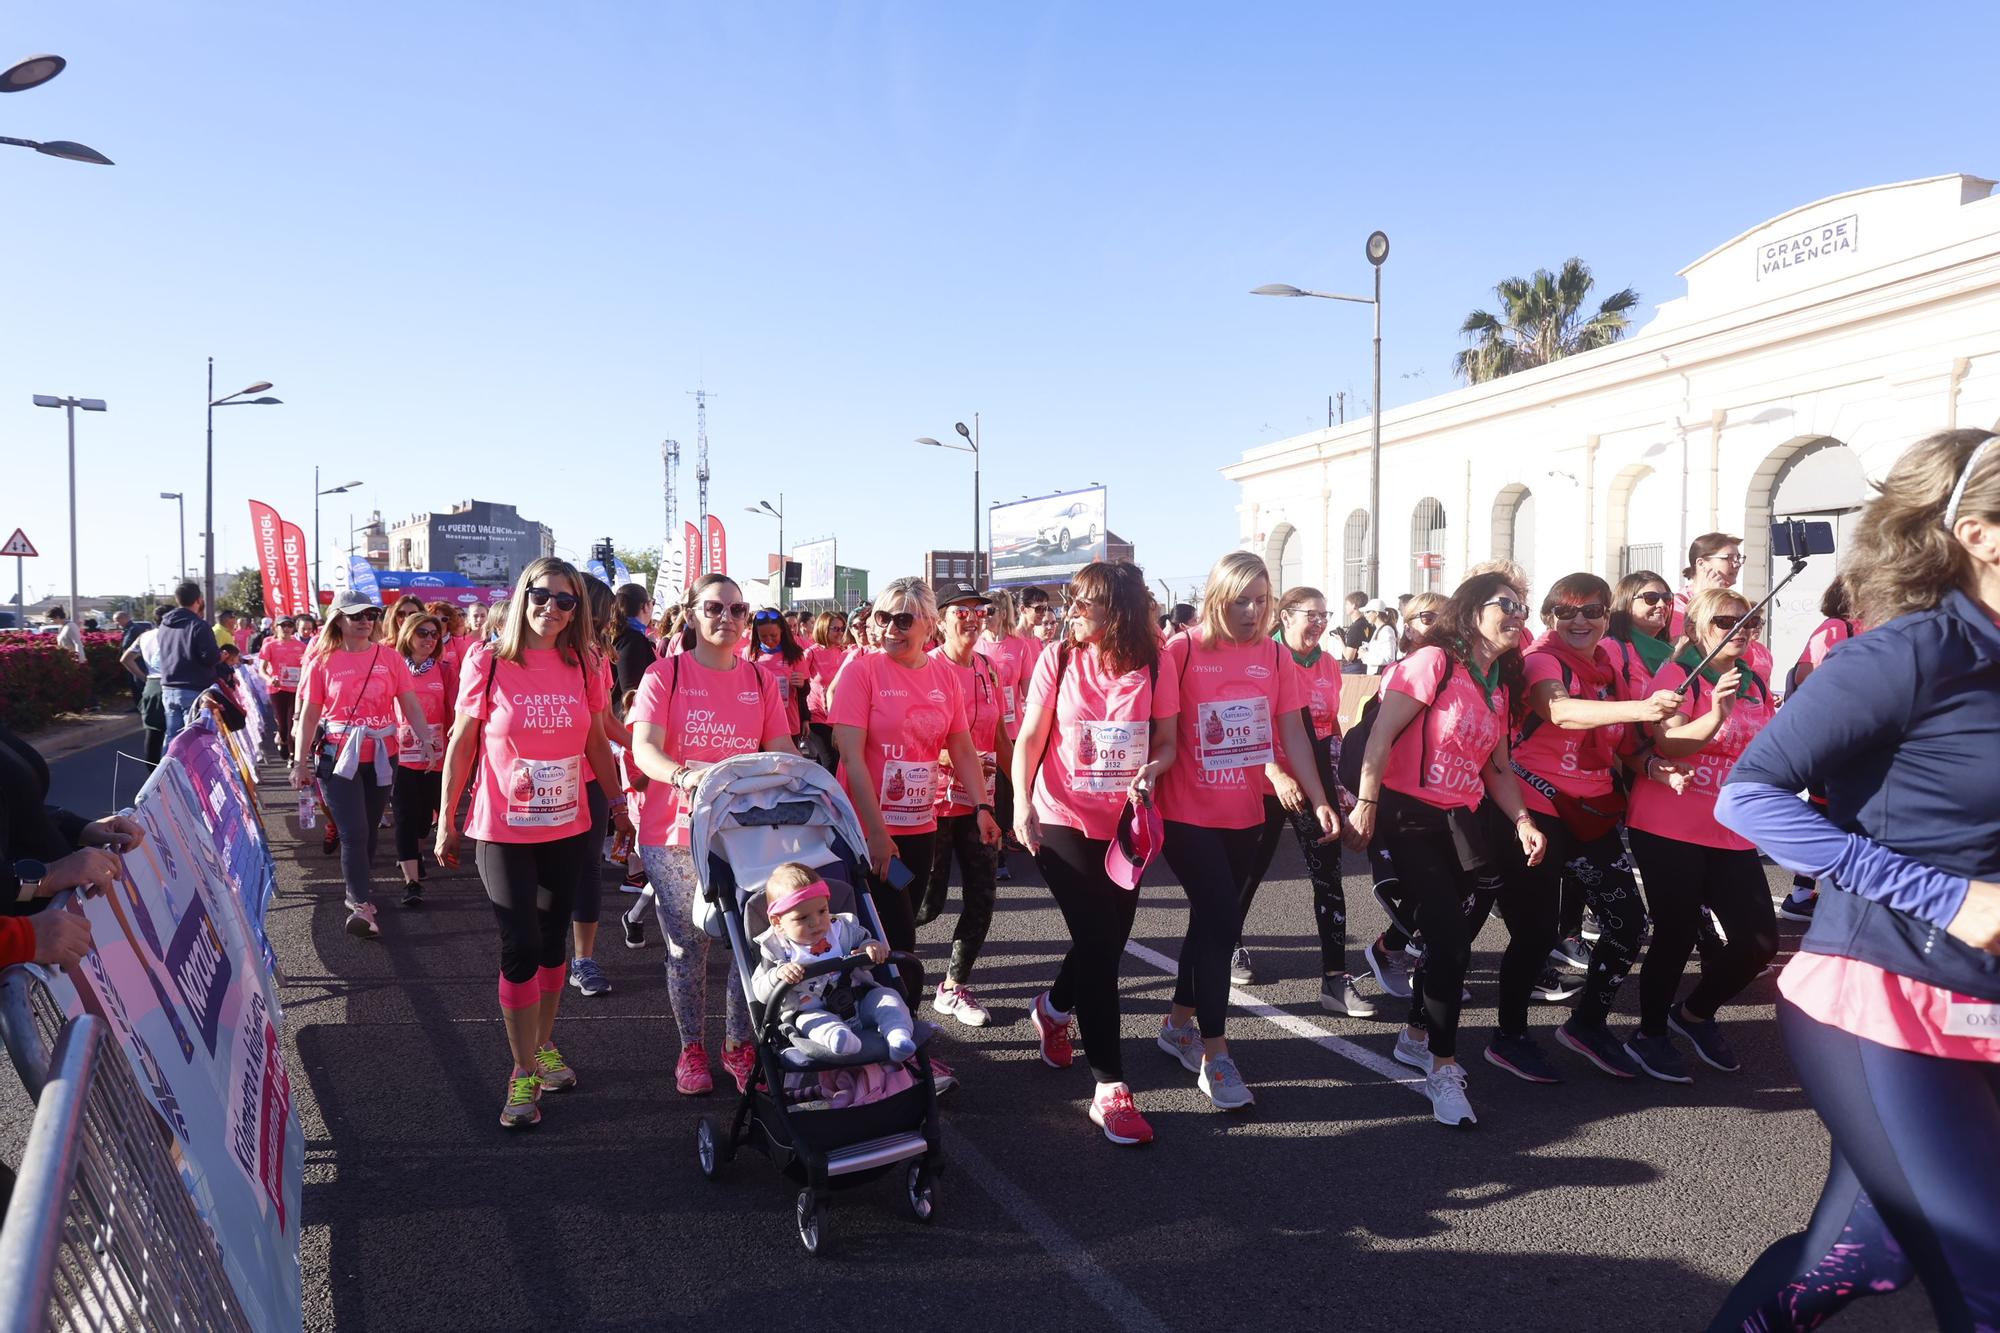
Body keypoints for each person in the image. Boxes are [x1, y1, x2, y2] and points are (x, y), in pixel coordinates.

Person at [1705, 428, 2000, 1333]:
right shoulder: (1913, 651)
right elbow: (1747, 797)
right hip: (1884, 1000)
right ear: (1983, 533)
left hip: (1980, 1006)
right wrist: (1947, 896)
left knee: (1864, 1259)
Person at [1350, 571, 1549, 1127]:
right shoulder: (1432, 662)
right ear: (1472, 609)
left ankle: (1416, 1033)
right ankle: (1442, 1068)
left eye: (1522, 607)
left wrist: (1524, 820)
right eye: (1505, 604)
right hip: (1407, 814)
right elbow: (1381, 736)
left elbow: (1498, 765)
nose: (1517, 614)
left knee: (1450, 937)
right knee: (1449, 942)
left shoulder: (1499, 682)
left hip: (1461, 818)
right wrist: (1365, 803)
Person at [1155, 552, 1338, 1110]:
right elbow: (1160, 732)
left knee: (1210, 922)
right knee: (1220, 917)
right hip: (1186, 810)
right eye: (1241, 600)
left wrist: (1319, 798)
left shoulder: (1276, 655)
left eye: (1262, 600)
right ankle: (1216, 1053)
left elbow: (1294, 734)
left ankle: (1176, 1025)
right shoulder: (1180, 651)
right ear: (1216, 596)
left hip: (1245, 814)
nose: (1252, 611)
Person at [437, 558, 615, 1130]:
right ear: (522, 596)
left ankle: (542, 1045)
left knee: (553, 944)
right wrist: (446, 818)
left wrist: (620, 805)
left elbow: (594, 740)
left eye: (567, 601)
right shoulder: (487, 659)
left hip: (567, 824)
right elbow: (463, 743)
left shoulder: (585, 663)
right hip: (502, 830)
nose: (553, 609)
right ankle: (521, 1071)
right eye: (542, 595)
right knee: (520, 945)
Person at [1013, 559, 1177, 1145]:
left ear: (1120, 612)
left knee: (1103, 937)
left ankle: (1054, 1008)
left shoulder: (1157, 662)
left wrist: (1150, 773)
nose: (1071, 612)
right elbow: (1030, 738)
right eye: (1071, 601)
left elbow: (1166, 742)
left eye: (1085, 603)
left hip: (1125, 823)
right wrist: (1019, 805)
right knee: (1101, 948)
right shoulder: (1055, 659)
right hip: (1061, 815)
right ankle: (1110, 1088)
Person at [1499, 573, 1683, 1081]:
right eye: (1566, 611)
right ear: (1550, 617)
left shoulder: (1607, 669)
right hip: (1538, 810)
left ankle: (1586, 1024)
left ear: (1608, 615)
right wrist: (1641, 707)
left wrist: (1654, 767)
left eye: (1593, 610)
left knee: (1627, 923)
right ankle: (1508, 1035)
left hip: (1593, 811)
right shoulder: (1543, 659)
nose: (1580, 620)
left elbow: (1623, 741)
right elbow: (1559, 711)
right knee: (1535, 934)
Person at [628, 572, 797, 1096]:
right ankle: (691, 1048)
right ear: (692, 614)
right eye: (714, 608)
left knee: (751, 942)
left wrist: (812, 781)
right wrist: (683, 775)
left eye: (737, 610)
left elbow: (781, 747)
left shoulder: (760, 681)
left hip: (744, 832)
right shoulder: (665, 676)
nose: (727, 618)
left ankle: (737, 1045)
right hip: (673, 832)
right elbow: (644, 750)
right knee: (689, 945)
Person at [1622, 587, 1779, 1084]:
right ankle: (1648, 1034)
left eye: (1749, 622)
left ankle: (1692, 1014)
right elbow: (1667, 740)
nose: (1739, 630)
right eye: (1725, 621)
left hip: (1729, 828)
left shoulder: (1753, 682)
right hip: (1667, 822)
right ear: (1698, 627)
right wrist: (1716, 712)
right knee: (1675, 932)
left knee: (1759, 942)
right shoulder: (1678, 675)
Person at [830, 577, 998, 959]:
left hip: (921, 824)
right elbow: (852, 758)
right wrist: (874, 832)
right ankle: (899, 1014)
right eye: (883, 617)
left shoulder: (943, 677)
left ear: (928, 623)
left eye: (903, 620)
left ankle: (889, 1012)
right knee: (894, 936)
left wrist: (982, 807)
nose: (890, 629)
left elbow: (962, 748)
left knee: (900, 927)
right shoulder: (863, 672)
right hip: (866, 826)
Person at [1232, 586, 1373, 1014]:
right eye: (1310, 615)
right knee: (1247, 873)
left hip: (1310, 780)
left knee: (1328, 875)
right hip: (1262, 778)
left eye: (1324, 615)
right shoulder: (1261, 658)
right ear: (1285, 616)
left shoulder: (1329, 663)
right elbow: (1244, 724)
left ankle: (1334, 979)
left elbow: (1327, 732)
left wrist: (1340, 793)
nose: (1319, 623)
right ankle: (1229, 944)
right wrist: (1273, 773)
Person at [291, 592, 438, 939]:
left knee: (369, 831)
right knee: (354, 832)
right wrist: (299, 762)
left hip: (383, 756)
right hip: (337, 758)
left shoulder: (389, 658)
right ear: (338, 619)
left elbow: (410, 703)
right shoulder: (322, 661)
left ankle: (359, 884)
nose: (365, 620)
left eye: (370, 614)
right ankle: (359, 903)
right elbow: (310, 714)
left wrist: (426, 740)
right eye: (356, 615)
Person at [918, 585, 1014, 1027]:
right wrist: (956, 758)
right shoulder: (923, 669)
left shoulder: (989, 670)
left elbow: (999, 736)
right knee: (926, 905)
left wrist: (1024, 789)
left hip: (980, 804)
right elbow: (910, 739)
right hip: (932, 803)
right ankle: (871, 959)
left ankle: (953, 987)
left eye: (981, 611)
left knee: (982, 899)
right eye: (962, 611)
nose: (973, 618)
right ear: (940, 620)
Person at [749, 863, 915, 1060]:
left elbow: (866, 949)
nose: (816, 922)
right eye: (802, 918)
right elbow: (760, 991)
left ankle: (898, 1035)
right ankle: (840, 1039)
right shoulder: (776, 949)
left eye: (822, 911)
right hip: (812, 1010)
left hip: (859, 999)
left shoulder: (841, 928)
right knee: (811, 1023)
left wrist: (870, 949)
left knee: (887, 997)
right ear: (778, 922)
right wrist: (778, 976)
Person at [1775, 574, 1864, 925]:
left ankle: (1803, 893)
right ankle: (1805, 895)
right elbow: (1805, 676)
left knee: (1827, 813)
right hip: (1833, 740)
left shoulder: (1860, 626)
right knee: (1832, 813)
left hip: (1848, 741)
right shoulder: (1836, 626)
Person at [564, 576, 632, 999]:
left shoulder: (593, 658)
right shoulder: (509, 655)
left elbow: (603, 722)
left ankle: (583, 959)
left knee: (587, 869)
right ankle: (545, 959)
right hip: (530, 792)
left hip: (586, 779)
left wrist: (641, 747)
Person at [976, 589, 1043, 881]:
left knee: (1007, 793)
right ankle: (993, 854)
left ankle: (1004, 847)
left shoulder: (1020, 646)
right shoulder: (975, 645)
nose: (985, 617)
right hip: (980, 733)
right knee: (986, 795)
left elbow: (1029, 691)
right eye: (982, 612)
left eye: (991, 611)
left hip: (1011, 731)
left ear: (1003, 613)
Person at [391, 612, 452, 907]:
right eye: (422, 633)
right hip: (400, 756)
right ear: (408, 635)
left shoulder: (445, 670)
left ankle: (418, 851)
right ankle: (411, 882)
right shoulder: (392, 667)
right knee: (404, 818)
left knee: (423, 820)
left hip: (436, 758)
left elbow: (453, 712)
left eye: (434, 634)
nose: (429, 639)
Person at [155, 582, 220, 746]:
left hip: (168, 688)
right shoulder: (199, 625)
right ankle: (189, 773)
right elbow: (211, 658)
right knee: (194, 742)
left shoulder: (164, 624)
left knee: (172, 739)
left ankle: (168, 771)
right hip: (193, 689)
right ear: (199, 600)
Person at [744, 607, 810, 745]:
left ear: (782, 631)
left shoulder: (794, 654)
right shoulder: (750, 653)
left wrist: (802, 685)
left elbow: (805, 692)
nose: (769, 640)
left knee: (786, 766)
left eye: (773, 635)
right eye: (763, 636)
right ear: (756, 634)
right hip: (758, 722)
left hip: (787, 722)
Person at [802, 609, 851, 771]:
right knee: (830, 762)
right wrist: (804, 718)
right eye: (835, 629)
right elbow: (800, 687)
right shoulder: (811, 653)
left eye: (842, 629)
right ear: (823, 628)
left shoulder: (845, 652)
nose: (840, 632)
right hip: (817, 716)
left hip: (838, 718)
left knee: (831, 761)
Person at [259, 617, 307, 765]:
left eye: (290, 625)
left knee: (293, 721)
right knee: (282, 723)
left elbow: (307, 667)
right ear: (276, 627)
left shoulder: (301, 646)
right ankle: (283, 741)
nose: (286, 628)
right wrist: (269, 679)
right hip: (277, 689)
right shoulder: (270, 645)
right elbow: (261, 669)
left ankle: (293, 756)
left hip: (296, 690)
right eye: (283, 625)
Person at [1358, 599, 1402, 673]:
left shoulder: (1386, 630)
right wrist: (1365, 651)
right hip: (1376, 675)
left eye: (1367, 612)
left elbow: (1389, 658)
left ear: (1376, 613)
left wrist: (1365, 655)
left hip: (1380, 675)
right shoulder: (1380, 629)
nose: (1365, 615)